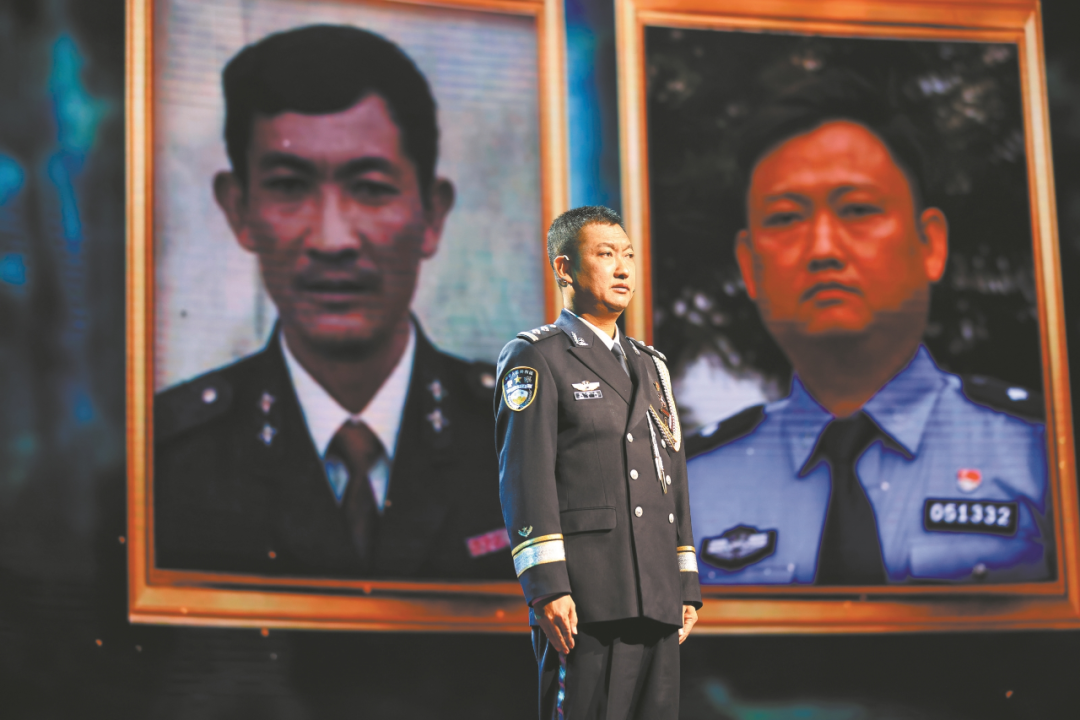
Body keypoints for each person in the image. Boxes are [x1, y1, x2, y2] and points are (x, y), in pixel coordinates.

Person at [153, 25, 513, 580]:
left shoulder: (528, 445)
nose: (332, 239)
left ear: (432, 215)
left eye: (370, 189)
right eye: (289, 187)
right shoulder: (163, 465)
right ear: (239, 209)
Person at [687, 71, 1052, 586]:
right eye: (786, 218)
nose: (822, 249)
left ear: (930, 244)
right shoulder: (689, 484)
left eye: (857, 210)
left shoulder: (1040, 450)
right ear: (749, 266)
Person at [496, 206, 702, 720]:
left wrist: (685, 583)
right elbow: (525, 478)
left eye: (628, 255)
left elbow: (672, 479)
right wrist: (548, 586)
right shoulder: (538, 356)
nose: (623, 268)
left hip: (656, 593)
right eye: (606, 254)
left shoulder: (651, 366)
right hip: (586, 596)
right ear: (564, 268)